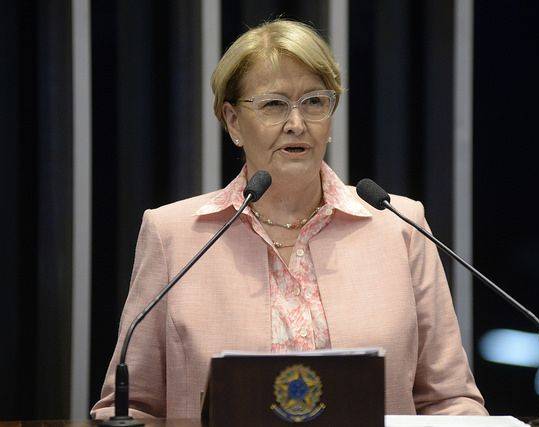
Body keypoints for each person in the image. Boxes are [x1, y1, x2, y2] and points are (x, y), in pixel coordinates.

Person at [91, 19, 487, 419]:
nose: (297, 124)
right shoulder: (173, 235)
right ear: (233, 121)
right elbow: (128, 408)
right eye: (273, 105)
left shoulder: (398, 226)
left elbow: (451, 401)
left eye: (314, 102)